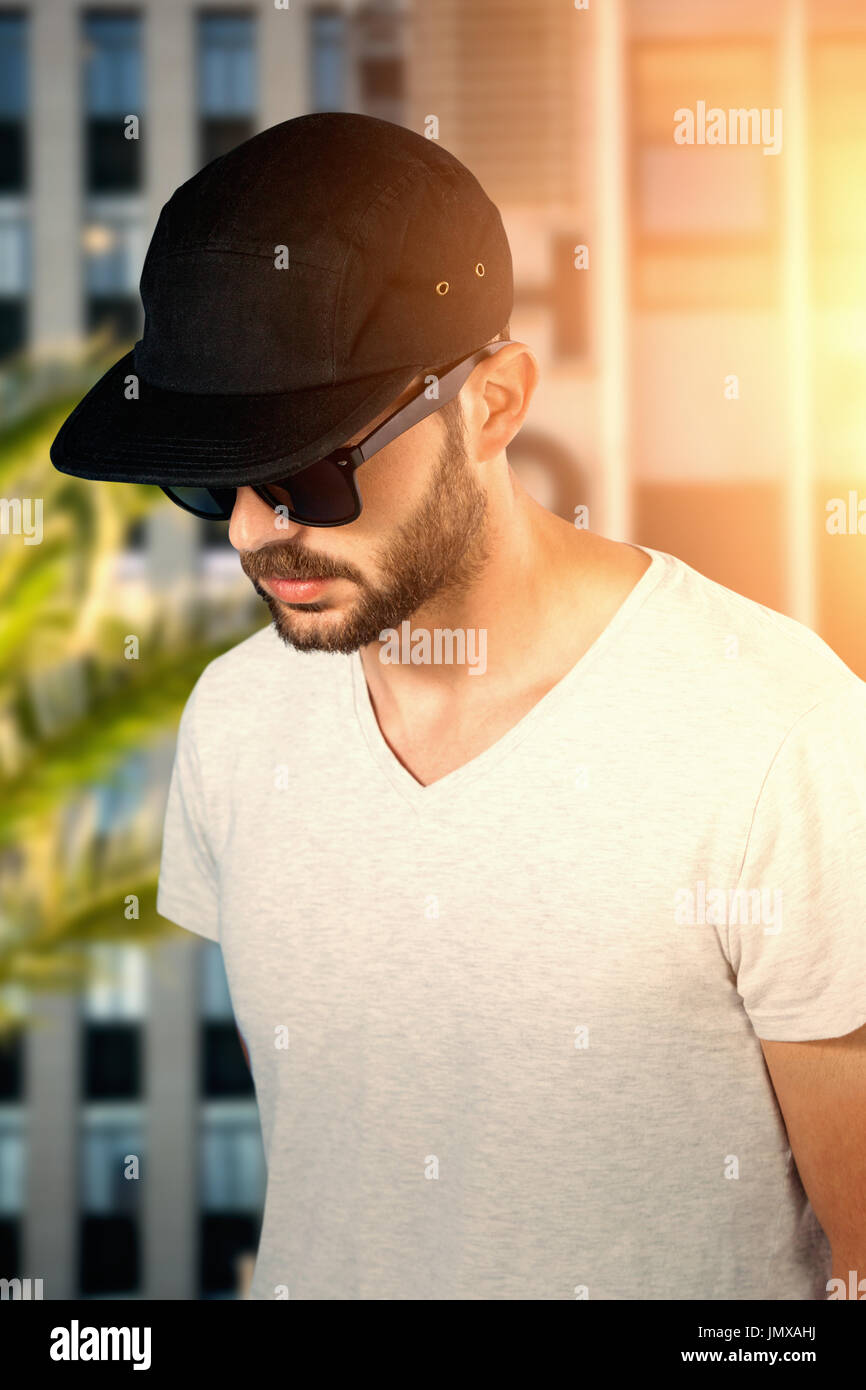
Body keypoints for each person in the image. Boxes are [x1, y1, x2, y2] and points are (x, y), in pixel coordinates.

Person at [50, 111, 866, 1301]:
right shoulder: (236, 722)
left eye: (307, 472)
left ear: (490, 405)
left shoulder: (777, 738)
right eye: (207, 477)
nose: (247, 530)